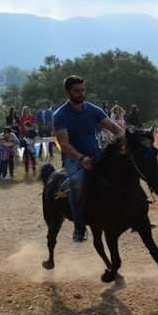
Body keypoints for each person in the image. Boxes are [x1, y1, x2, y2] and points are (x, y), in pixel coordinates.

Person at [53, 75, 124, 242]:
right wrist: (81, 158)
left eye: (83, 90)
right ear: (68, 93)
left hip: (96, 153)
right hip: (73, 159)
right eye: (77, 91)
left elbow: (113, 127)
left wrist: (124, 136)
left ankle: (134, 213)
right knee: (77, 181)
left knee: (122, 170)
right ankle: (79, 225)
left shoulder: (93, 109)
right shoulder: (60, 115)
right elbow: (63, 144)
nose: (81, 93)